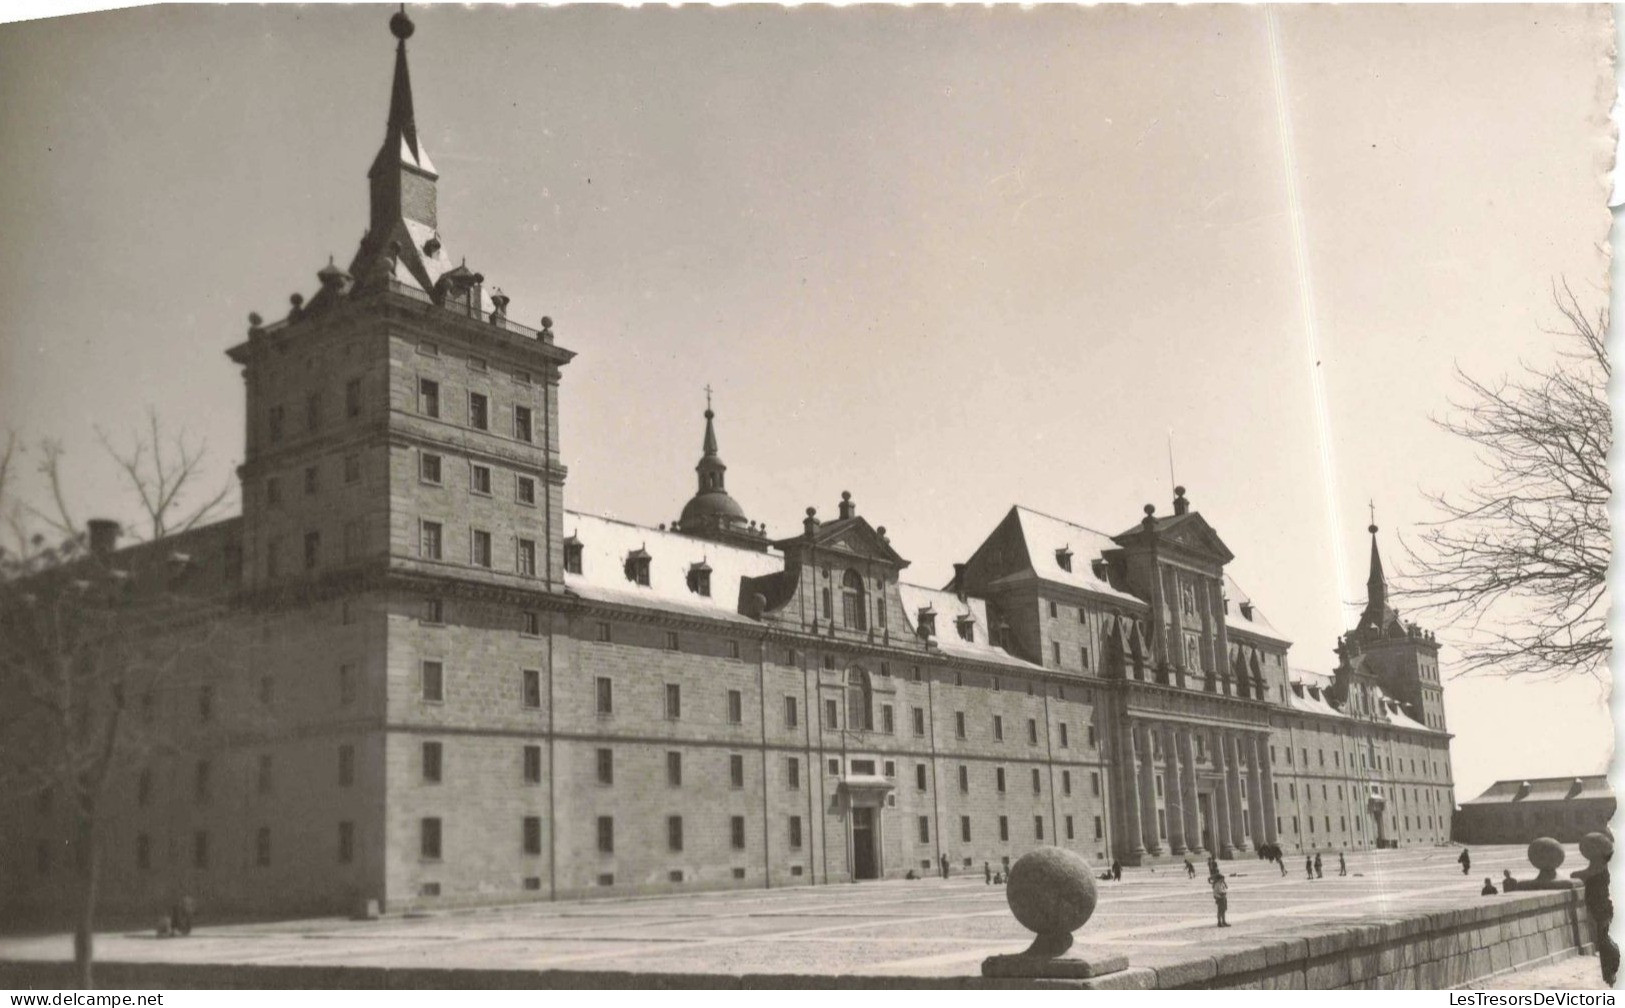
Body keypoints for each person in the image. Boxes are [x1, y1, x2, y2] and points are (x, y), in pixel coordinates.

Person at [1583, 855, 1618, 985]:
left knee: (1606, 945)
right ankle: (1610, 976)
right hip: (1605, 916)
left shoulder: (1594, 880)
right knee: (1607, 945)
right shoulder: (1596, 880)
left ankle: (1610, 976)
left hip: (1605, 916)